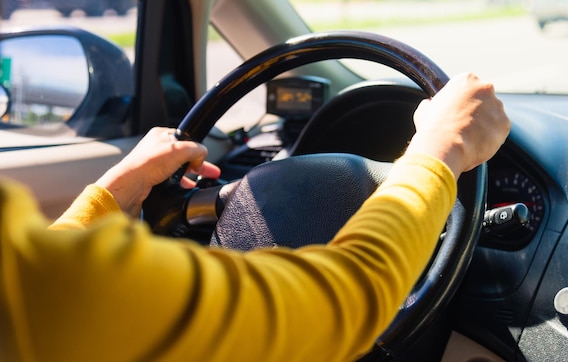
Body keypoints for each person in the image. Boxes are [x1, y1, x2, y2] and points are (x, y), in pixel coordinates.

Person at [0, 72, 509, 362]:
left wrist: (112, 193)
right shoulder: (49, 296)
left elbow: (41, 275)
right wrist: (441, 150)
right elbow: (341, 303)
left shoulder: (31, 287)